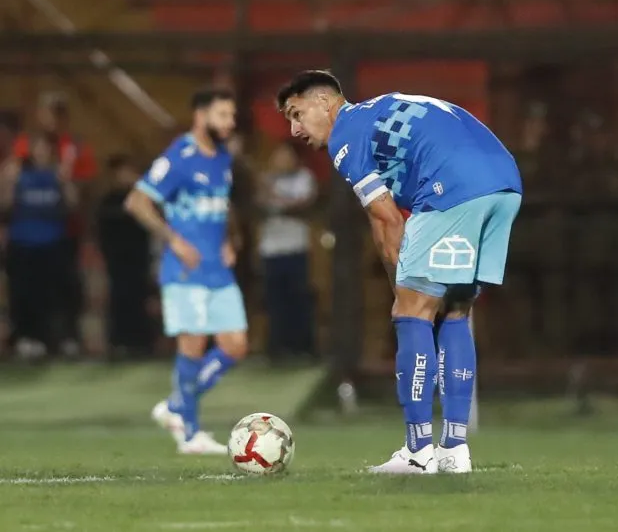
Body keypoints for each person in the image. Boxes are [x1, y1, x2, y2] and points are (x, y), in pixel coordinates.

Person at [276, 71, 522, 474]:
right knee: (456, 310)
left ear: (324, 101)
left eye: (297, 113)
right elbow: (383, 218)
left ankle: (417, 451)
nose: (294, 128)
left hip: (453, 186)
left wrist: (402, 292)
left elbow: (388, 219)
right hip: (504, 185)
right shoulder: (378, 113)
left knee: (412, 315)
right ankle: (454, 450)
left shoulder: (346, 135)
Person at [124, 88, 247, 455]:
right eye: (223, 115)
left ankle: (176, 406)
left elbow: (224, 204)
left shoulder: (222, 156)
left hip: (217, 269)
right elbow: (136, 201)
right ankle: (190, 433)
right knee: (192, 346)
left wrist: (229, 239)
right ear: (201, 116)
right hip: (185, 269)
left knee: (236, 346)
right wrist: (172, 240)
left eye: (231, 115)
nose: (230, 123)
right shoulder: (179, 157)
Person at [0, 134, 78, 359]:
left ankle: (54, 339)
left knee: (54, 295)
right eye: (38, 148)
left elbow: (72, 206)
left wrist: (66, 181)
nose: (42, 153)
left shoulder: (57, 175)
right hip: (23, 243)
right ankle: (26, 337)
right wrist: (7, 181)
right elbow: (4, 205)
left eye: (46, 149)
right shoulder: (19, 175)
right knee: (24, 294)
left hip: (53, 243)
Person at [258, 142, 318, 360]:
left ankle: (303, 347)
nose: (281, 160)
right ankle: (277, 348)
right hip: (270, 250)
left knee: (299, 300)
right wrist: (272, 196)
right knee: (274, 302)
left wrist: (276, 199)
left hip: (296, 248)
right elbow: (257, 204)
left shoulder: (304, 177)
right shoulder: (265, 180)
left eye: (286, 155)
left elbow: (303, 204)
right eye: (278, 155)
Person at [96, 155, 156, 358]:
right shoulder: (108, 201)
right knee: (119, 300)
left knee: (140, 298)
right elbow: (102, 232)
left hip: (139, 260)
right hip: (117, 261)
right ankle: (119, 341)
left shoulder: (144, 199)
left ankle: (142, 341)